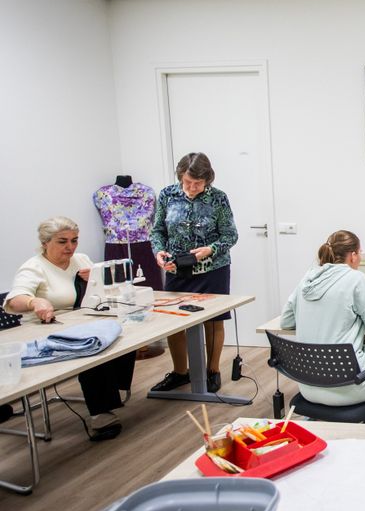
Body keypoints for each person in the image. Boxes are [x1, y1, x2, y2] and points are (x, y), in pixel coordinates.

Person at [3, 217, 136, 440]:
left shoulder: (80, 259)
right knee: (91, 351)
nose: (70, 247)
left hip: (79, 321)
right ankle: (101, 414)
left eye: (74, 241)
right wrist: (34, 302)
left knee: (124, 337)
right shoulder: (34, 267)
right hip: (45, 328)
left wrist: (96, 276)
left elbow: (105, 288)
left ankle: (112, 393)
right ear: (45, 242)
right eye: (62, 242)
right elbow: (14, 299)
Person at [281, 230, 365, 424]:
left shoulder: (308, 279)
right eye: (360, 252)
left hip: (307, 386)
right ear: (353, 255)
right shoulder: (356, 279)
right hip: (348, 385)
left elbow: (286, 322)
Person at [150, 153, 238, 394]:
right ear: (180, 176)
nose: (192, 188)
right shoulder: (167, 195)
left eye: (198, 184)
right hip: (177, 267)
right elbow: (157, 231)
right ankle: (180, 373)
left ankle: (212, 371)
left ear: (207, 180)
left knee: (213, 320)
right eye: (187, 182)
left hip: (212, 268)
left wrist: (210, 249)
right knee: (175, 320)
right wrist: (159, 253)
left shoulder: (218, 198)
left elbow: (230, 235)